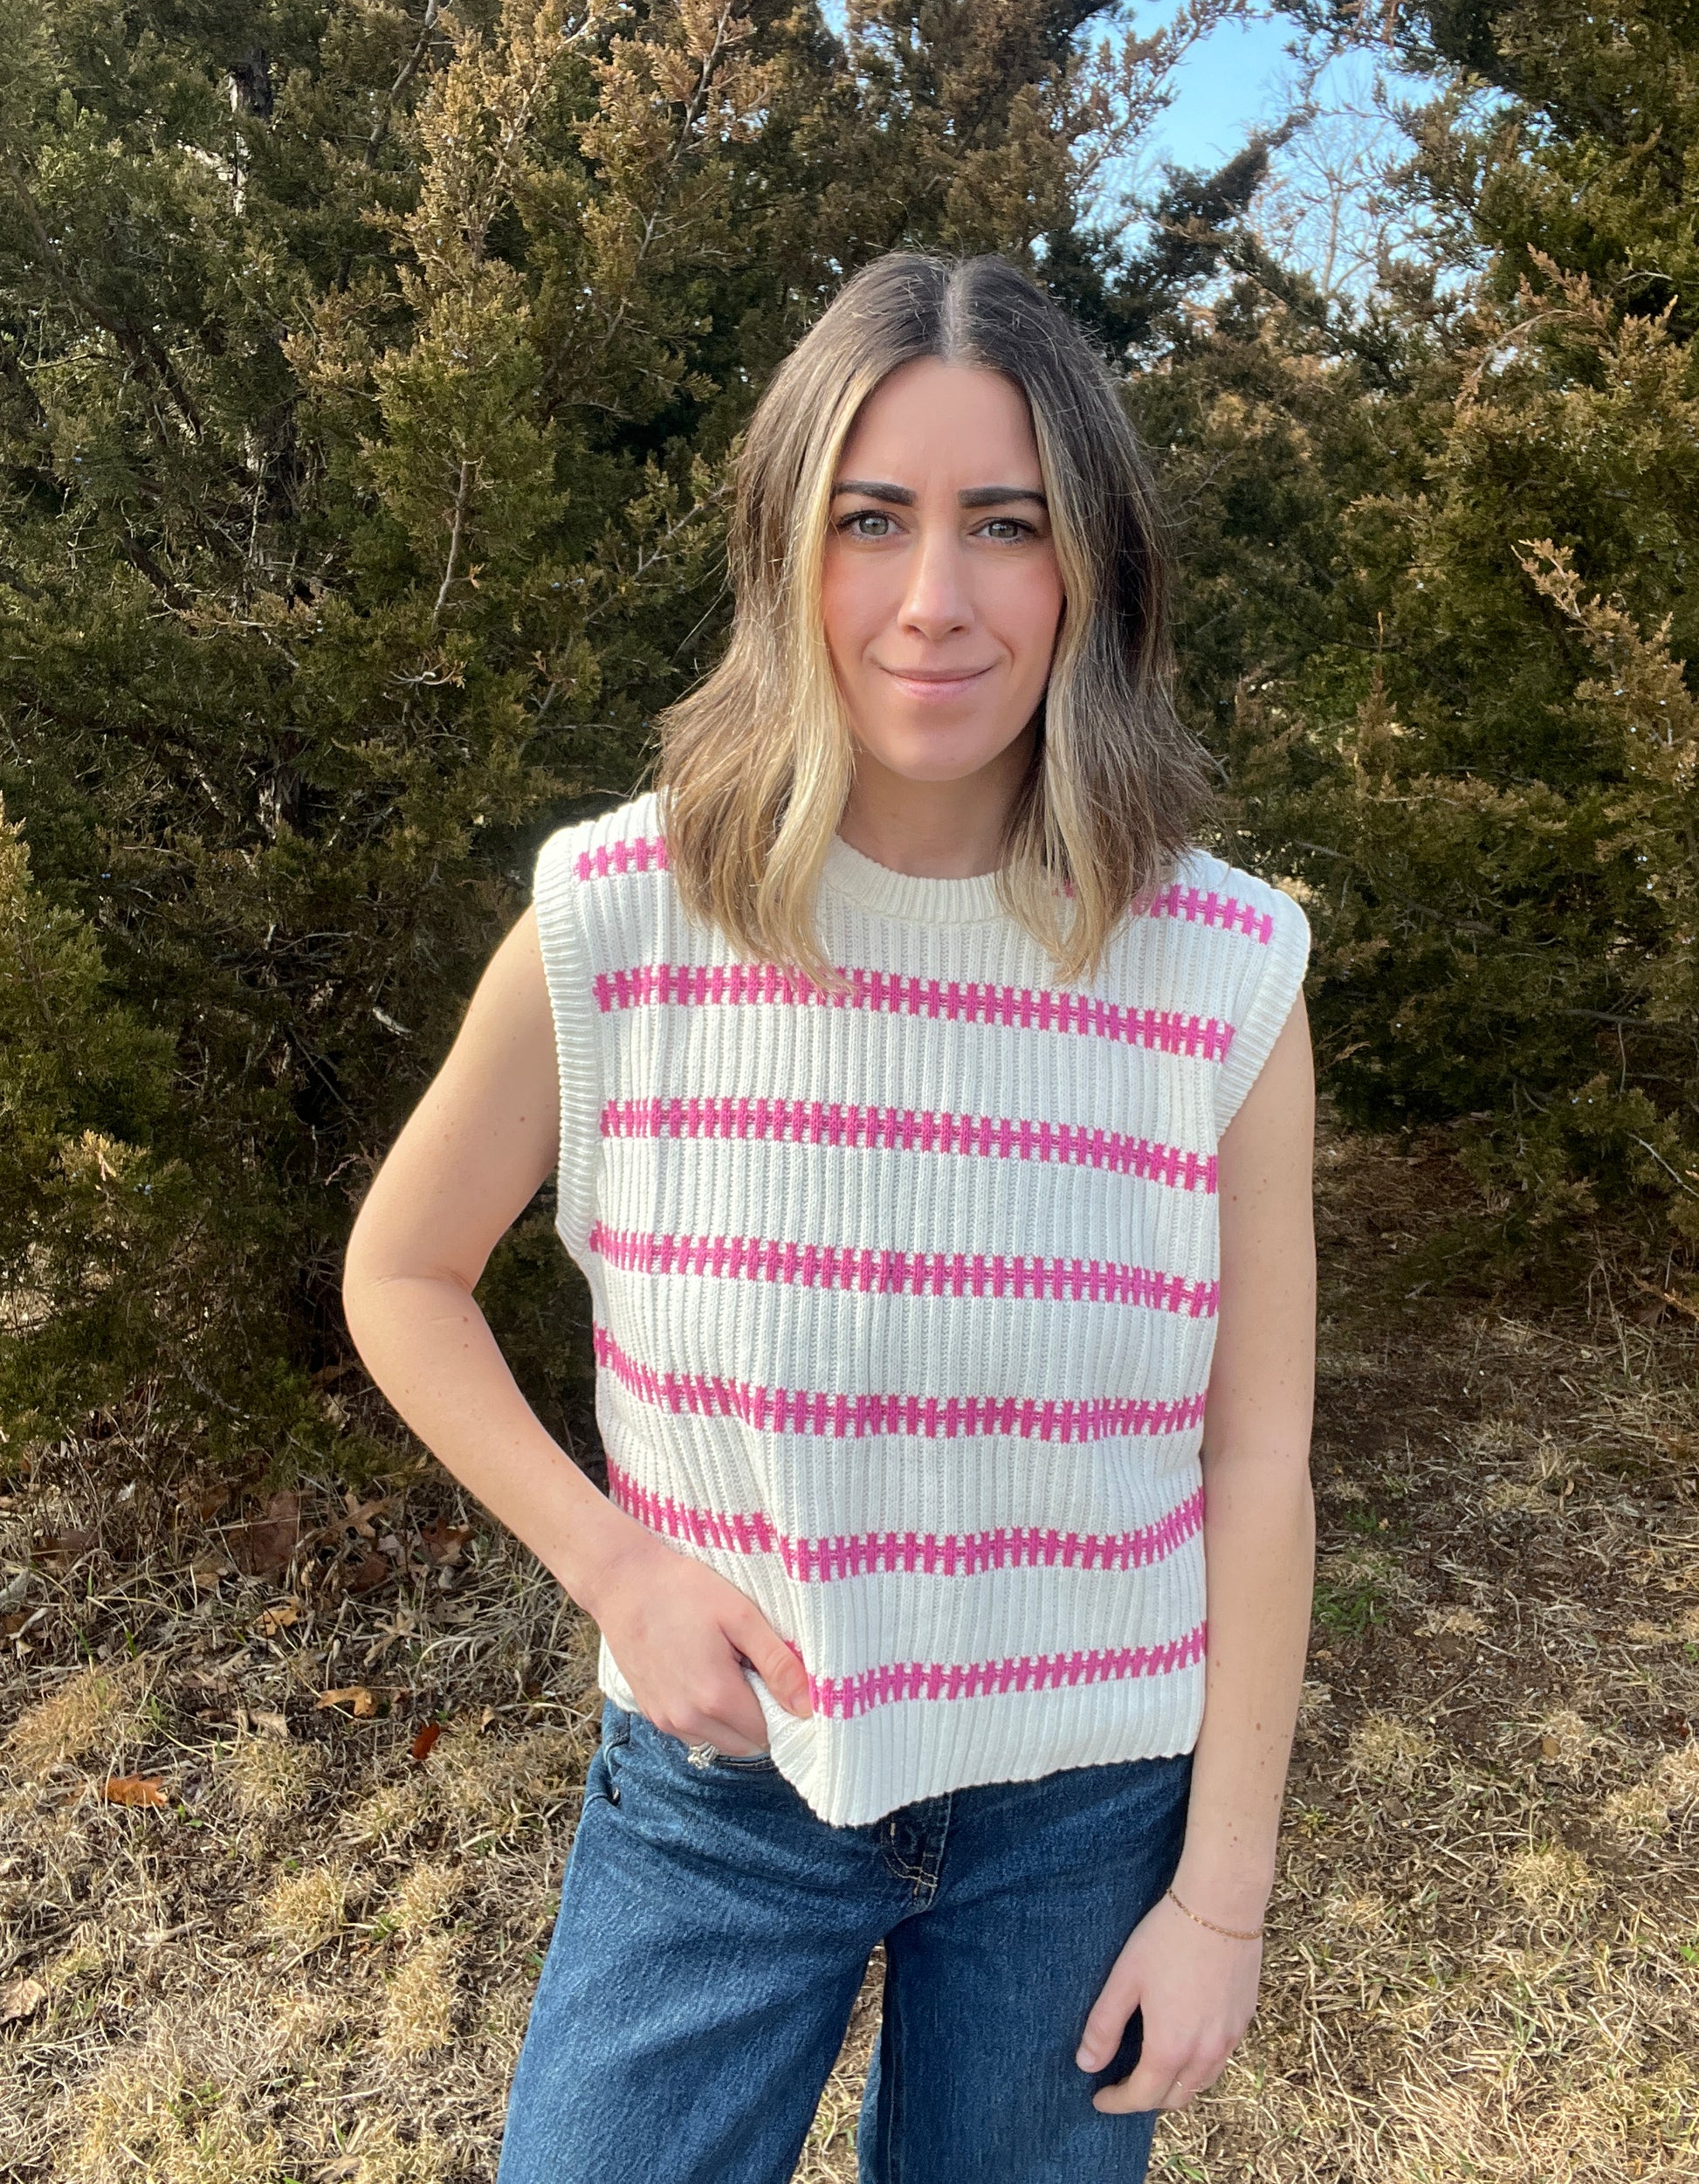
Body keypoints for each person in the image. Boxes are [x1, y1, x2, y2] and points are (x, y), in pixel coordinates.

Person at [341, 248, 1317, 2184]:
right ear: (786, 551)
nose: (933, 595)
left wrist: (1223, 1894)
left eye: (1004, 524)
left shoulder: (1223, 969)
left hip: (1086, 1813)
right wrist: (613, 1567)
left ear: (1094, 567)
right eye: (870, 519)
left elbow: (1259, 1453)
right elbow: (403, 1270)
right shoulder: (617, 918)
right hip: (719, 1797)